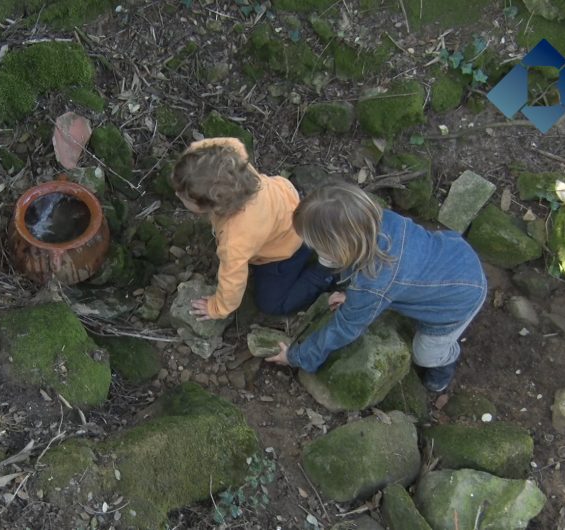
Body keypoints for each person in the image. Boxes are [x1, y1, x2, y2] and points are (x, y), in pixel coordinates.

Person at [265, 179, 487, 392]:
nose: (313, 251)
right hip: (457, 255)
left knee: (426, 355)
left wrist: (297, 357)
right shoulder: (381, 220)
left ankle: (446, 362)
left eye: (317, 247)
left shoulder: (372, 284)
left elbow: (343, 328)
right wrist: (350, 295)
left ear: (338, 248)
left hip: (457, 302)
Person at [170, 137, 335, 320]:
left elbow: (233, 281)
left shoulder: (235, 239)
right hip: (293, 211)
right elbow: (233, 143)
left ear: (213, 206)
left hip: (288, 250)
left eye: (185, 197)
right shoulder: (236, 166)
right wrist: (194, 153)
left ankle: (324, 270)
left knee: (271, 304)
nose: (177, 194)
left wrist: (217, 308)